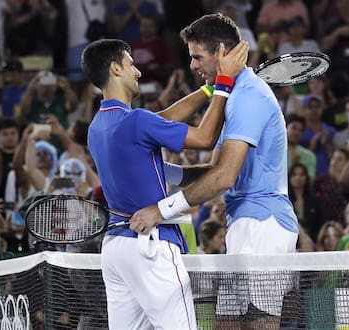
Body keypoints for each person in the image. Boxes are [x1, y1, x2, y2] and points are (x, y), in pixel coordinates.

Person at [131, 13, 299, 330]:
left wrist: (160, 211)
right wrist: (164, 171)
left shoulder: (249, 98)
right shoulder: (233, 95)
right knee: (225, 323)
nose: (193, 65)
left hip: (263, 225)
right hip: (243, 222)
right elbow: (215, 170)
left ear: (221, 52)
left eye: (197, 57)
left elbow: (224, 178)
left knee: (259, 324)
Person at [82, 34, 248, 329]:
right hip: (150, 247)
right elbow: (205, 138)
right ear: (115, 69)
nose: (139, 72)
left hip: (116, 251)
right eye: (131, 65)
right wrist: (224, 83)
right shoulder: (137, 122)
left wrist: (208, 90)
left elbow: (162, 119)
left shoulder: (99, 126)